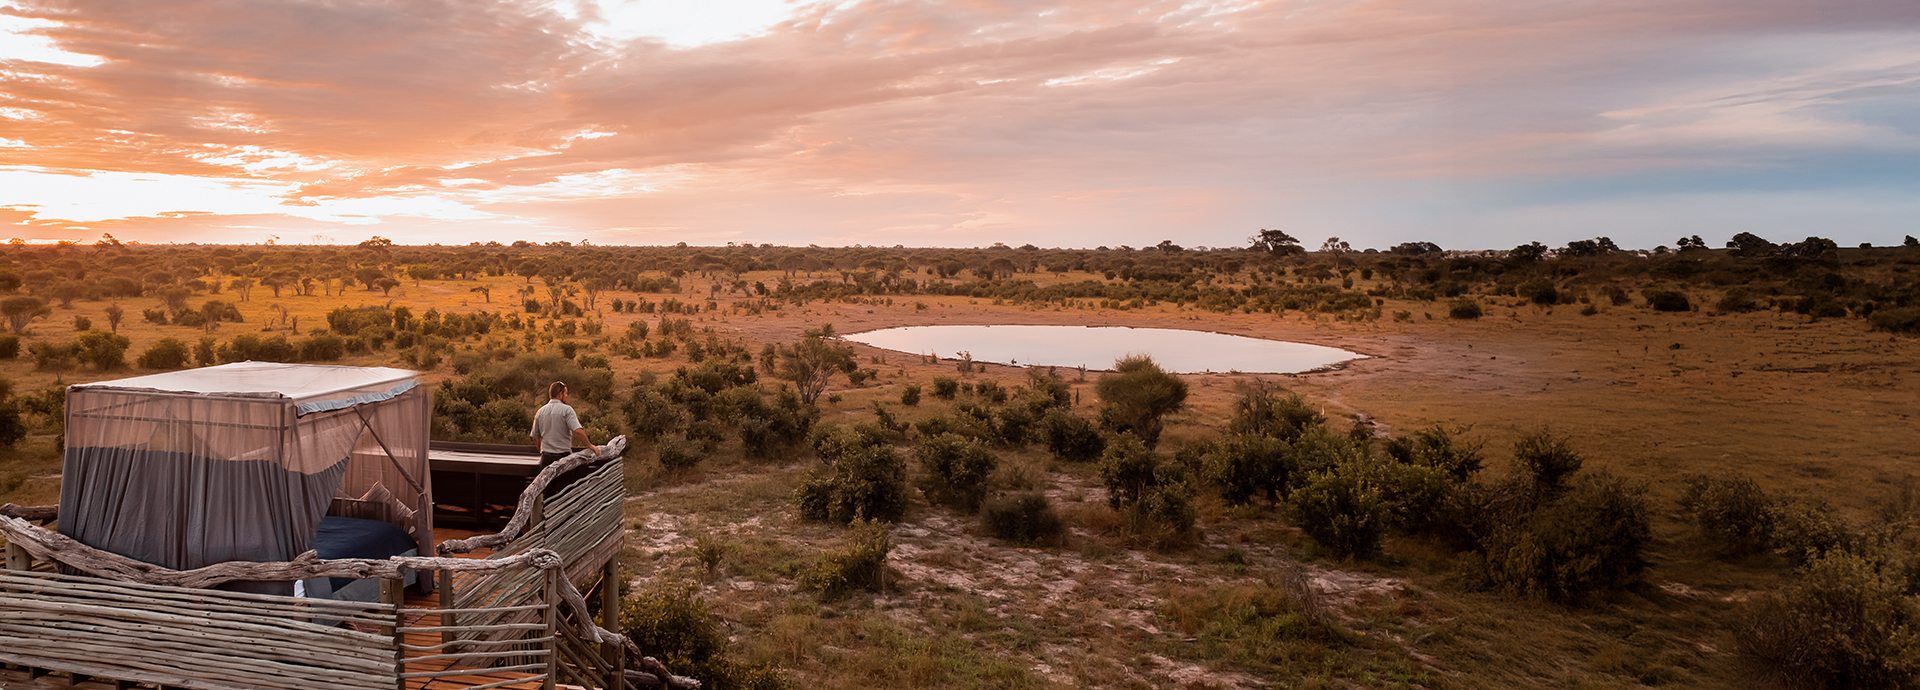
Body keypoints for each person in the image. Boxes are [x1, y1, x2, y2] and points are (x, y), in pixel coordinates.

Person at [530, 381, 600, 467]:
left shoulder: (540, 412)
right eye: (566, 393)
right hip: (563, 457)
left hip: (546, 458)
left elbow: (535, 438)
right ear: (560, 394)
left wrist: (543, 450)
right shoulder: (567, 410)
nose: (566, 396)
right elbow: (578, 431)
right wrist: (590, 445)